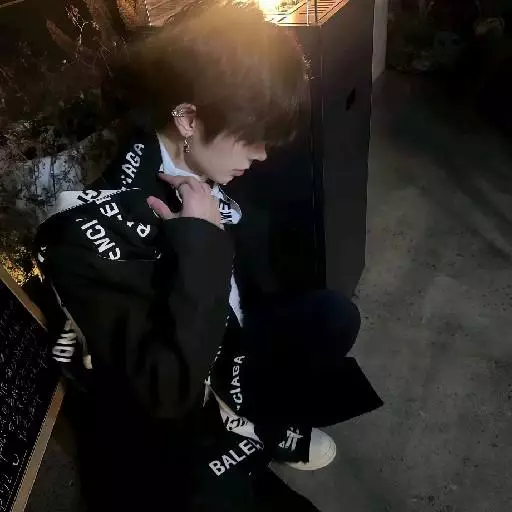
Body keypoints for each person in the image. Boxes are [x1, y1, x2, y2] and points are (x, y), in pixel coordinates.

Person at [35, 1, 382, 510]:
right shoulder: (96, 225)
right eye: (253, 138)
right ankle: (242, 434)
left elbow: (246, 283)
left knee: (333, 317)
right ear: (188, 118)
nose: (262, 154)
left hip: (227, 334)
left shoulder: (205, 162)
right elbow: (167, 389)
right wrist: (199, 241)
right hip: (184, 386)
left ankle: (262, 422)